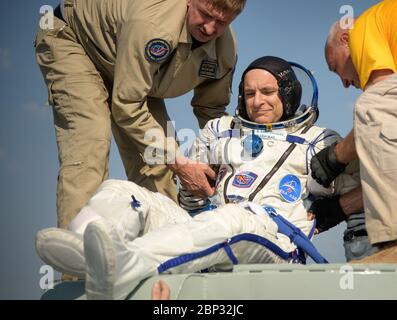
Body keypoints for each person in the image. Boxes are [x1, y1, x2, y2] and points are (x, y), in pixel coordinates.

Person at [36, 56, 361, 300]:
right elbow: (191, 198)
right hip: (209, 226)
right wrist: (196, 189)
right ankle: (83, 250)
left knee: (237, 215)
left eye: (267, 91)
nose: (257, 101)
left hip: (277, 239)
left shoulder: (321, 140)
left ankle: (125, 266)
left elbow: (360, 195)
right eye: (249, 94)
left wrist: (324, 216)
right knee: (124, 191)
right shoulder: (220, 131)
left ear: (289, 93)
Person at [35, 0, 246, 229]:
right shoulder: (152, 23)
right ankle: (78, 252)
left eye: (222, 22)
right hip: (76, 40)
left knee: (160, 162)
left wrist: (230, 158)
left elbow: (211, 111)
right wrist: (181, 164)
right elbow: (127, 104)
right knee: (91, 143)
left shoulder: (225, 50)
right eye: (205, 15)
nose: (209, 28)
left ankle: (161, 253)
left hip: (136, 73)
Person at [310, 0, 397, 263]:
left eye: (334, 67)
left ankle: (392, 245)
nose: (345, 83)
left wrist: (336, 156)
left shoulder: (364, 27)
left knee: (370, 105)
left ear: (345, 39)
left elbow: (381, 104)